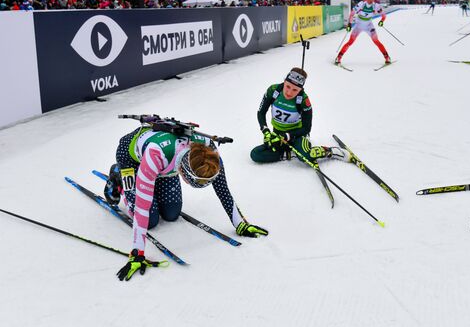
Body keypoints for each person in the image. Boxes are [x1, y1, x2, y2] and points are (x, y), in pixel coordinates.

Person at [104, 117, 268, 281]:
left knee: (171, 213)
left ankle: (157, 178)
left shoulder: (209, 151)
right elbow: (142, 207)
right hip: (132, 159)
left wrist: (240, 224)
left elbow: (223, 189)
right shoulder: (156, 155)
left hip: (168, 162)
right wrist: (137, 253)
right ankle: (117, 177)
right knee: (150, 221)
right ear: (184, 172)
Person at [250, 67, 350, 165]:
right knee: (256, 154)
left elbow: (307, 128)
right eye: (288, 86)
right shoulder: (273, 91)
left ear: (300, 89)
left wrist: (288, 136)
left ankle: (332, 151)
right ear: (284, 81)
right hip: (278, 134)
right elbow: (261, 112)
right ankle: (289, 154)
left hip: (297, 135)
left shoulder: (303, 100)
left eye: (295, 90)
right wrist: (266, 131)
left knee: (305, 157)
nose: (289, 92)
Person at [335, 0, 391, 65]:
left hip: (369, 25)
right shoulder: (361, 4)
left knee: (376, 41)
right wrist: (349, 24)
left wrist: (382, 21)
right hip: (359, 25)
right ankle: (338, 57)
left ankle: (387, 57)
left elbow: (384, 15)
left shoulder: (376, 6)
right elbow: (352, 13)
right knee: (350, 42)